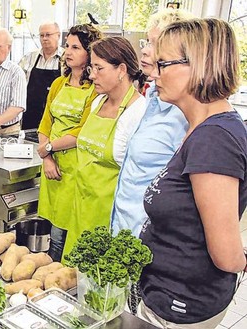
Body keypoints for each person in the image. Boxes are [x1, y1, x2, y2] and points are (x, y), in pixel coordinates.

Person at [138, 18, 247, 328]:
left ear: (198, 65)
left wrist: (242, 259)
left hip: (182, 304)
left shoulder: (214, 139)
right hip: (165, 293)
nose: (155, 73)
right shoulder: (200, 129)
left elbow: (226, 255)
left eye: (163, 64)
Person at [109, 9, 193, 315]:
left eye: (155, 43)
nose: (145, 49)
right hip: (123, 234)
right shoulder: (154, 99)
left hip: (148, 248)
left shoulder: (185, 115)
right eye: (147, 40)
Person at [62, 37, 147, 258]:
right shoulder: (98, 102)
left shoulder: (138, 112)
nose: (91, 75)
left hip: (110, 219)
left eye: (99, 68)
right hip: (80, 208)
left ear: (121, 69)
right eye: (91, 67)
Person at [34, 23, 102, 261]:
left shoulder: (95, 89)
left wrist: (49, 148)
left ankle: (62, 278)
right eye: (67, 46)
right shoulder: (58, 84)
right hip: (51, 164)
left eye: (76, 47)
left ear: (90, 53)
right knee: (53, 224)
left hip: (74, 168)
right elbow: (45, 123)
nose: (68, 52)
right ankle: (50, 272)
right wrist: (47, 158)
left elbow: (82, 131)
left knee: (66, 228)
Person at [18, 22, 63, 130]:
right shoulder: (29, 58)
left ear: (58, 35)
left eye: (48, 35)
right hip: (30, 114)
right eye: (41, 35)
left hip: (55, 116)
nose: (44, 38)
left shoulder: (66, 59)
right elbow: (17, 83)